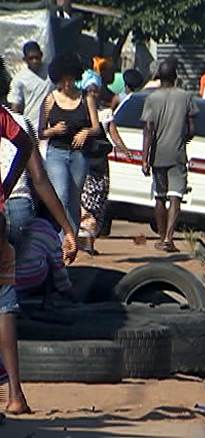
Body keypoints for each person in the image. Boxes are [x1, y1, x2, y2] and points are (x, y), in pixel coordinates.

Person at [0, 56, 79, 418]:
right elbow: (39, 175)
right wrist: (66, 228)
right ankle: (15, 394)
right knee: (4, 305)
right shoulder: (11, 122)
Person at [39, 52, 100, 237]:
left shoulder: (85, 98)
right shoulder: (50, 100)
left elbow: (96, 127)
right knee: (61, 195)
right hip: (56, 153)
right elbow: (40, 131)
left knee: (74, 198)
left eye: (71, 79)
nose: (67, 84)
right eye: (64, 80)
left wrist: (86, 132)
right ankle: (59, 240)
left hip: (79, 155)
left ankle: (70, 238)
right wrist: (54, 131)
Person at [141, 60, 198, 253]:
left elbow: (148, 130)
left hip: (158, 154)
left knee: (159, 196)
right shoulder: (186, 97)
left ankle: (161, 236)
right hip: (177, 154)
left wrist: (145, 158)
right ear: (175, 77)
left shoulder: (152, 99)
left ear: (158, 78)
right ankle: (168, 239)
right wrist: (184, 140)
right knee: (176, 197)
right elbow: (192, 129)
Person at [76, 71, 111, 255]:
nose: (93, 94)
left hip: (100, 164)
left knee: (98, 203)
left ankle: (89, 242)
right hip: (84, 162)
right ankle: (83, 242)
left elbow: (112, 135)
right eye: (89, 90)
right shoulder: (76, 110)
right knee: (86, 203)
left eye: (95, 91)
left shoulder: (105, 113)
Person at [7, 41, 54, 131]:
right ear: (25, 59)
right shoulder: (19, 79)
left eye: (37, 57)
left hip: (52, 127)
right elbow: (15, 105)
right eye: (31, 58)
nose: (35, 61)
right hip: (32, 128)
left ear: (41, 55)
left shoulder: (52, 71)